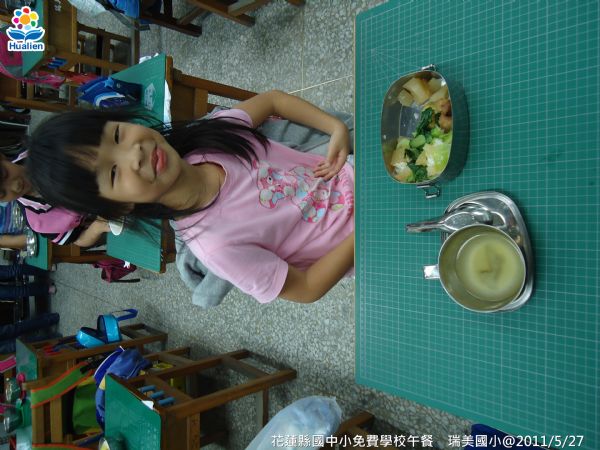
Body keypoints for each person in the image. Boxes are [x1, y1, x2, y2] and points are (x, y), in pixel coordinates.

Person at [26, 90, 355, 304]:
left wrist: (335, 128)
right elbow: (306, 287)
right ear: (120, 206)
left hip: (358, 172)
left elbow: (272, 101)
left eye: (117, 135)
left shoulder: (213, 136)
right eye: (113, 173)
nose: (134, 155)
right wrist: (366, 229)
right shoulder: (217, 246)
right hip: (364, 241)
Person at [0, 151, 110, 247]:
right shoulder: (38, 221)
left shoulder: (45, 145)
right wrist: (97, 227)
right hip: (109, 212)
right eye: (3, 193)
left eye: (4, 174)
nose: (15, 186)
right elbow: (79, 239)